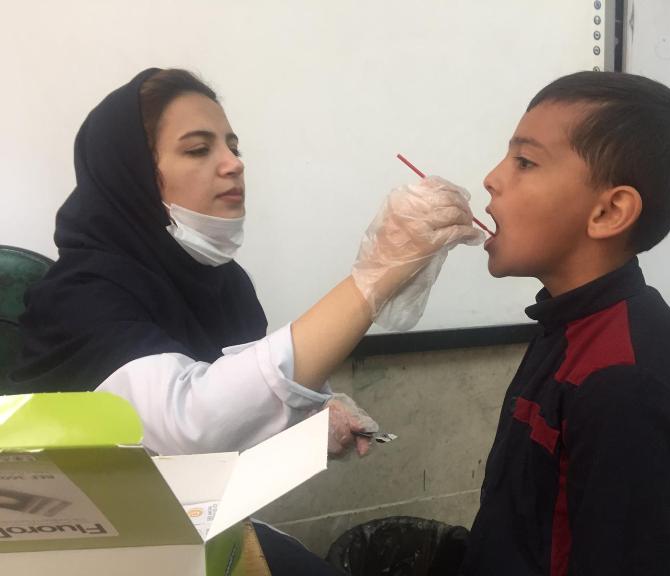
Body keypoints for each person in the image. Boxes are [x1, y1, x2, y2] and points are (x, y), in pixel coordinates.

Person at [11, 67, 483, 460]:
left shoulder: (227, 285)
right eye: (199, 149)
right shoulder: (80, 294)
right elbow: (189, 429)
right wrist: (376, 275)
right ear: (129, 174)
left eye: (232, 147)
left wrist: (304, 422)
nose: (233, 164)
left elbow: (233, 413)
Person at [460, 71, 670, 575]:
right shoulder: (569, 322)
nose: (491, 178)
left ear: (608, 212)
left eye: (525, 162)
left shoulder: (626, 383)